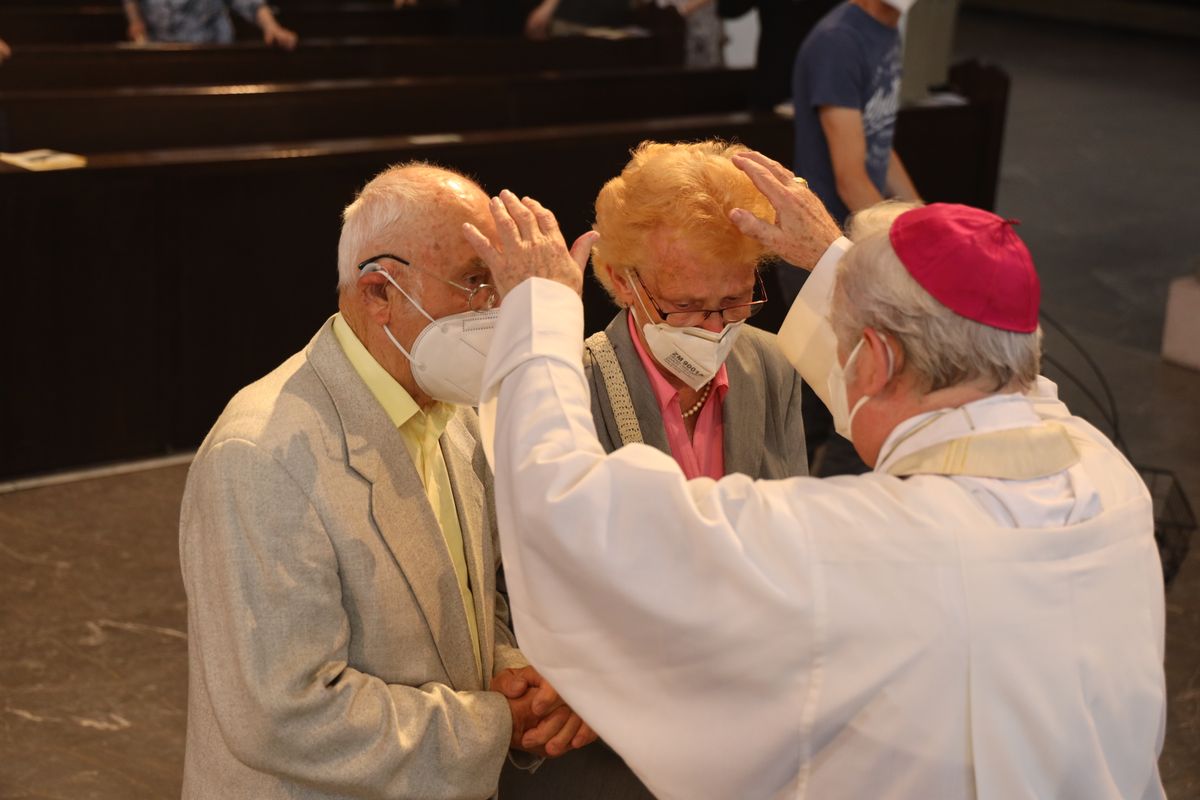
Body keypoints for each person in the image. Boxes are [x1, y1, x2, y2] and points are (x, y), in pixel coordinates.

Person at [459, 152, 1167, 799]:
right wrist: (835, 261)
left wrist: (539, 314)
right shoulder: (1104, 472)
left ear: (880, 359)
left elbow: (571, 512)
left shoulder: (862, 543)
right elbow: (910, 396)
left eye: (852, 343)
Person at [179, 163, 595, 799]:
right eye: (476, 282)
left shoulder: (454, 410)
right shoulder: (262, 454)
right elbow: (285, 714)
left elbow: (468, 596)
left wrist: (512, 671)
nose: (499, 311)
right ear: (379, 293)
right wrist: (493, 723)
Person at [584, 140, 807, 480]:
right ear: (622, 280)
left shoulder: (772, 362)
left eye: (734, 301)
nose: (715, 331)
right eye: (685, 305)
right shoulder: (576, 385)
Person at [792, 0, 921, 226]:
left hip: (860, 226)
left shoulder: (887, 30)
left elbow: (878, 141)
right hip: (827, 235)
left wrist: (923, 218)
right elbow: (850, 182)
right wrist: (901, 243)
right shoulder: (838, 42)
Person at [123, 0, 298, 48]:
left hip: (211, 51)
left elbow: (249, 2)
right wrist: (135, 21)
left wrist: (272, 27)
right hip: (162, 52)